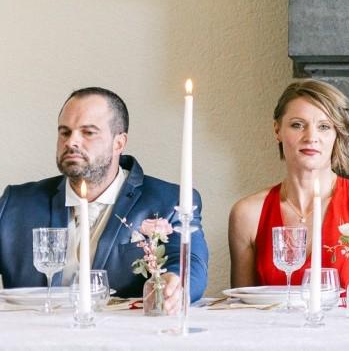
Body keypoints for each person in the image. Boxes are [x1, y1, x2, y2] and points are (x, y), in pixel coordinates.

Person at [0, 87, 208, 312]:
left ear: (119, 142)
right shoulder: (16, 203)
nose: (72, 142)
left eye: (88, 132)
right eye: (65, 132)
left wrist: (173, 283)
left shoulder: (168, 201)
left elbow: (191, 265)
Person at [228, 79, 349, 296]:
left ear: (337, 134)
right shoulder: (247, 214)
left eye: (324, 127)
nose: (311, 137)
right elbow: (240, 310)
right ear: (277, 130)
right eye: (297, 125)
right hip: (274, 330)